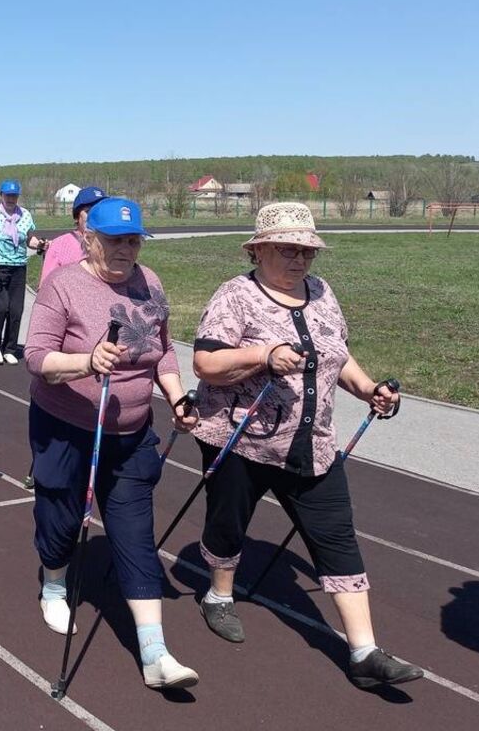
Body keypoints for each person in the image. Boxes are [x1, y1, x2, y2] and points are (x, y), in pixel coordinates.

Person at [190, 202, 421, 689]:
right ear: (259, 250)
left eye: (307, 252)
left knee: (337, 537)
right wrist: (265, 355)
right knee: (228, 525)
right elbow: (207, 365)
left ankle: (363, 653)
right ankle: (218, 596)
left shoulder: (321, 293)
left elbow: (338, 354)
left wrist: (369, 389)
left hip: (312, 445)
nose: (300, 261)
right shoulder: (235, 296)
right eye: (288, 250)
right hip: (243, 441)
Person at [25, 198, 200, 690]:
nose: (126, 249)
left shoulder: (151, 283)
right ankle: (54, 582)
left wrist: (176, 397)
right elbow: (37, 356)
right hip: (65, 427)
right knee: (59, 519)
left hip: (131, 435)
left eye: (134, 240)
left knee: (136, 535)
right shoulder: (63, 284)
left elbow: (162, 350)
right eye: (115, 240)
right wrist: (86, 363)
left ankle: (155, 653)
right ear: (88, 239)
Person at [0, 179, 47, 365]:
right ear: (1, 195)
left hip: (19, 267)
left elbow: (29, 240)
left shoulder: (25, 215)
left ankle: (10, 348)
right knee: (2, 306)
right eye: (7, 195)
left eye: (14, 195)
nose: (11, 199)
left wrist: (39, 244)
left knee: (16, 309)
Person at [38, 186, 108, 287]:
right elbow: (45, 288)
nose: (96, 216)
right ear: (77, 217)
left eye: (100, 211)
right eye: (89, 212)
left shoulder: (112, 244)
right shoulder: (59, 246)